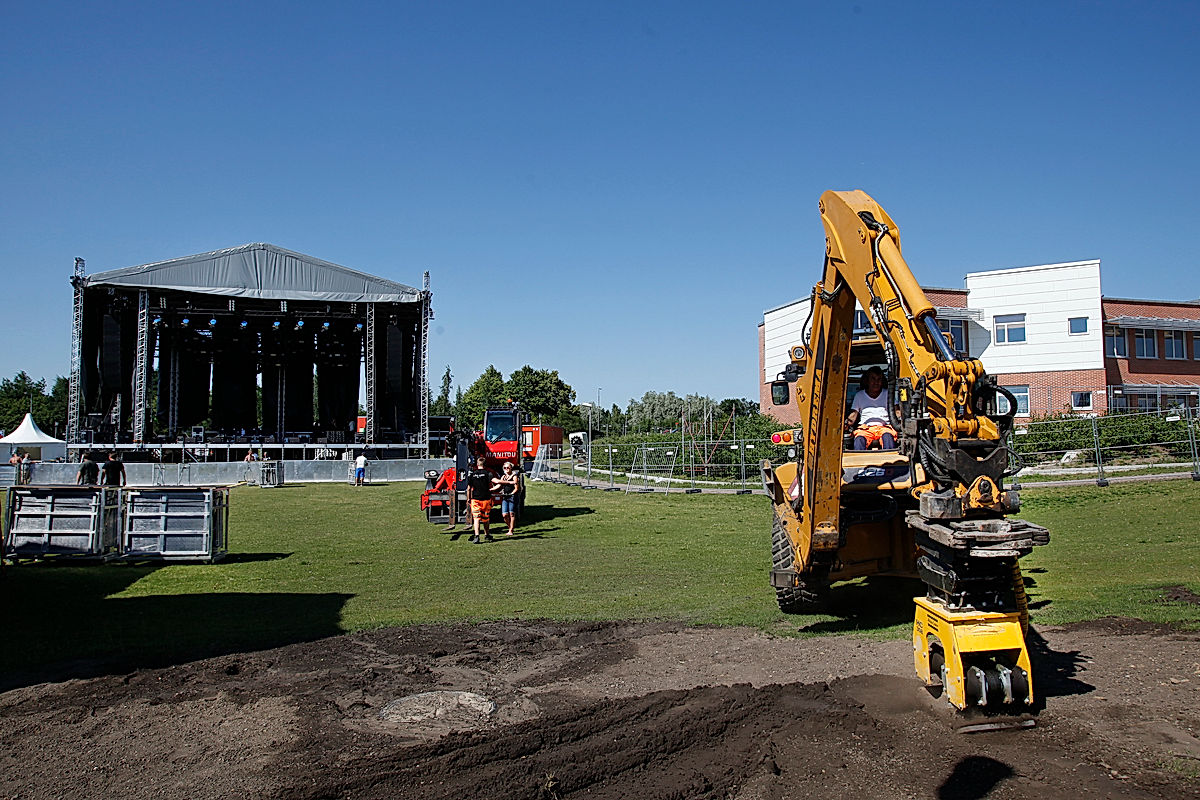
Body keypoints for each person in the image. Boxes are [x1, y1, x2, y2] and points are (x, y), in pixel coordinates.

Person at [846, 366, 898, 451]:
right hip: (865, 428)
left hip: (885, 427)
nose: (876, 382)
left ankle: (890, 462)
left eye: (879, 379)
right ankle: (860, 463)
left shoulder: (888, 394)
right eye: (873, 379)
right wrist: (847, 424)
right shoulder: (859, 395)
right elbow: (854, 414)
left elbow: (896, 411)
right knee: (859, 439)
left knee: (888, 437)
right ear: (867, 381)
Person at [465, 455, 498, 544]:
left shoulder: (472, 475)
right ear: (485, 464)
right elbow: (496, 482)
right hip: (486, 499)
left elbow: (468, 488)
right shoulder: (488, 473)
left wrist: (468, 498)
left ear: (477, 464)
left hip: (475, 499)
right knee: (485, 518)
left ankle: (477, 536)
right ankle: (487, 534)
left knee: (476, 518)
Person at [496, 461, 521, 536]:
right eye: (505, 468)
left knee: (511, 513)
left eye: (508, 467)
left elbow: (516, 488)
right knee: (504, 515)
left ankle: (511, 530)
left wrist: (511, 494)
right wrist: (491, 489)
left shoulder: (514, 476)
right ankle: (510, 526)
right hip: (505, 497)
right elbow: (499, 485)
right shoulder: (503, 477)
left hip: (511, 496)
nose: (506, 469)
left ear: (511, 468)